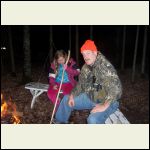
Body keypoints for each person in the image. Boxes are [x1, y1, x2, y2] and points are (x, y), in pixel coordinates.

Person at [54, 39, 122, 124]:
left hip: (108, 101)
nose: (85, 57)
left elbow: (116, 89)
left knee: (93, 120)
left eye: (88, 53)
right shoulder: (86, 67)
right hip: (91, 97)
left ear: (95, 52)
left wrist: (104, 105)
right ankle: (60, 122)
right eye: (83, 54)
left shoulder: (105, 67)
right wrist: (72, 95)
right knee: (66, 99)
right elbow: (80, 84)